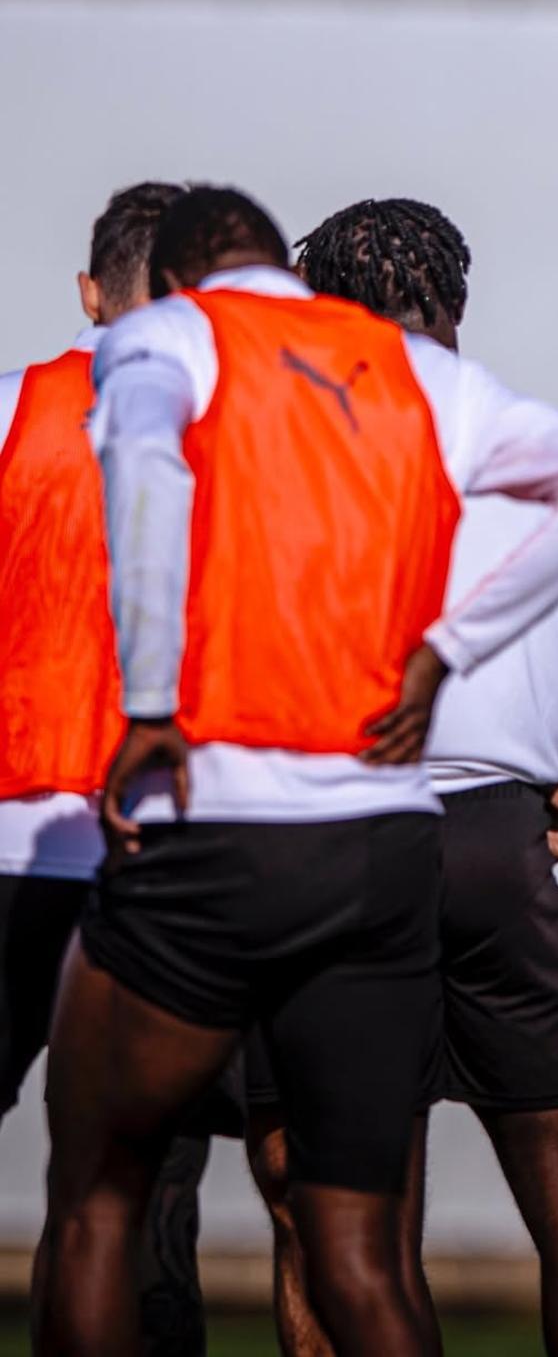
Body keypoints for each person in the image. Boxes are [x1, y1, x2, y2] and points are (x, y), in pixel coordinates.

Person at [36, 186, 558, 1357]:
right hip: (376, 839)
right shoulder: (421, 390)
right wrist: (453, 651)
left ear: (178, 282)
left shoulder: (183, 338)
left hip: (226, 822)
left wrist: (153, 698)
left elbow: (147, 461)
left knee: (100, 1201)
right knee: (364, 1246)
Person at [243, 197, 558, 1357]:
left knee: (345, 1239)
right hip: (497, 852)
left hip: (333, 851)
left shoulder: (277, 449)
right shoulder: (555, 447)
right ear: (458, 306)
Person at [0, 180, 233, 1356]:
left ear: (93, 293)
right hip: (156, 846)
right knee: (142, 1182)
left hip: (9, 836)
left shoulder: (9, 411)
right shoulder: (227, 434)